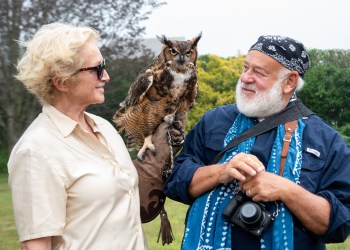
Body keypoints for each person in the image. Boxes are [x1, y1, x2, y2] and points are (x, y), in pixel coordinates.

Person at [164, 35, 350, 250]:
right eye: (245, 68)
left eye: (258, 72)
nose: (245, 78)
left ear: (289, 81)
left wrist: (287, 191)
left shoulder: (326, 140)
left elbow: (339, 224)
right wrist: (222, 171)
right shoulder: (214, 121)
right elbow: (175, 182)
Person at [7, 22, 181, 250]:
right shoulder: (36, 151)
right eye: (97, 69)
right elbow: (36, 246)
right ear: (62, 81)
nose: (106, 76)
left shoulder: (104, 127)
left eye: (104, 66)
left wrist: (159, 158)